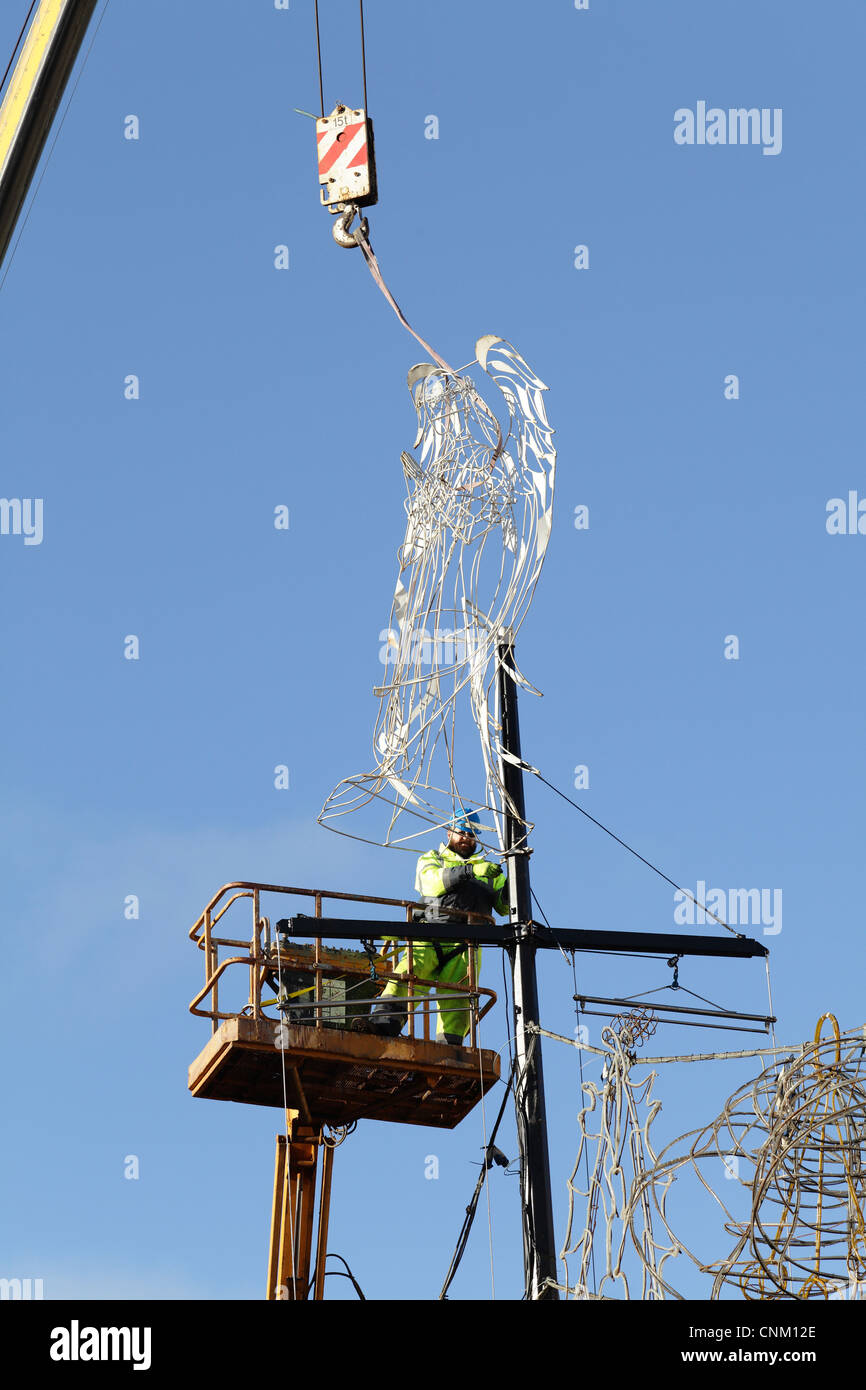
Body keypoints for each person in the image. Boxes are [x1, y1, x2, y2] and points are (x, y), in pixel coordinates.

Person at [369, 810, 509, 1045]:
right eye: (461, 832)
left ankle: (448, 1048)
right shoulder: (433, 858)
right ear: (449, 832)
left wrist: (515, 877)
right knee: (409, 973)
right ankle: (384, 1025)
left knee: (458, 995)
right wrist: (469, 871)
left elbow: (504, 907)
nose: (465, 837)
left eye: (471, 834)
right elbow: (431, 883)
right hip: (430, 933)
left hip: (466, 944)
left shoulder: (490, 872)